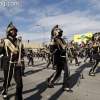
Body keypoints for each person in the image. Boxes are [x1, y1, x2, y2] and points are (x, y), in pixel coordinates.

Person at [46, 25, 73, 92]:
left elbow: (64, 47)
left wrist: (68, 49)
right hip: (59, 58)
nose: (62, 33)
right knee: (58, 72)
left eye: (62, 32)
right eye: (60, 32)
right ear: (56, 32)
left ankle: (65, 86)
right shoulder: (54, 39)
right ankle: (49, 80)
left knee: (67, 72)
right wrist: (62, 51)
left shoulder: (62, 39)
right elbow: (52, 50)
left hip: (64, 58)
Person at [0, 22, 23, 100]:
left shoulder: (19, 42)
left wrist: (21, 61)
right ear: (8, 32)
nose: (14, 31)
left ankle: (18, 97)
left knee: (19, 83)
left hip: (17, 64)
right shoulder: (3, 40)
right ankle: (5, 91)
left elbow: (22, 53)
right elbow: (0, 53)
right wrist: (7, 58)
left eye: (15, 30)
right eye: (12, 30)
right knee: (7, 81)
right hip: (7, 64)